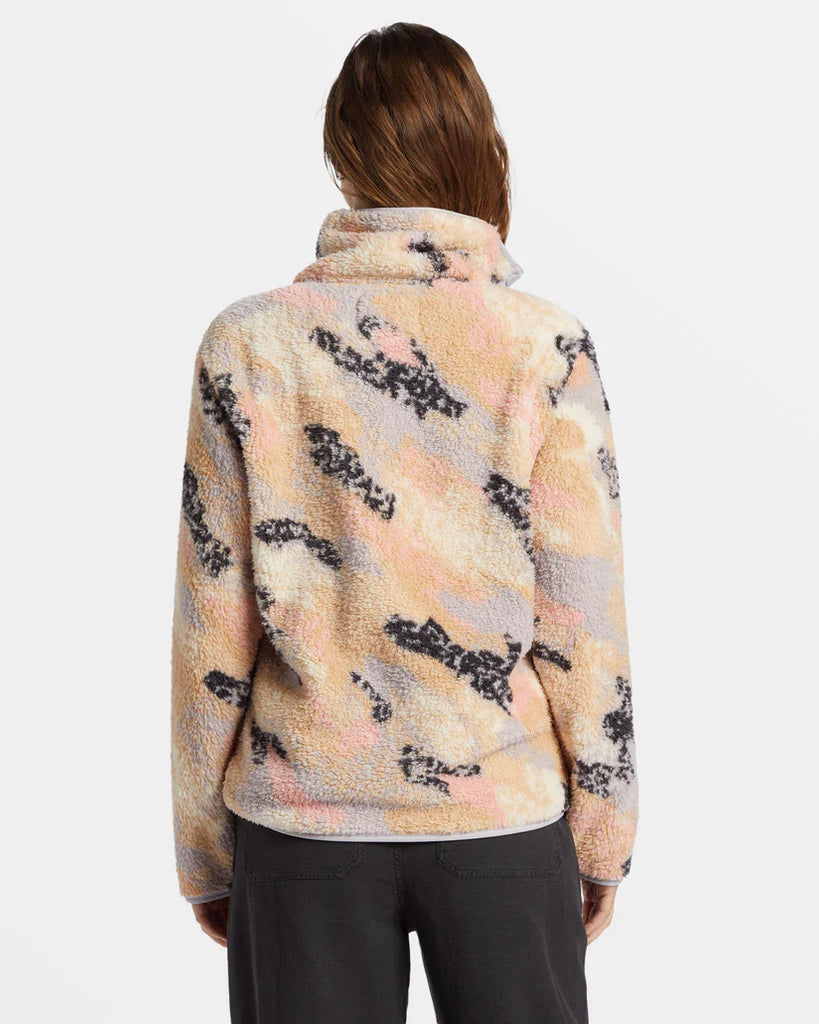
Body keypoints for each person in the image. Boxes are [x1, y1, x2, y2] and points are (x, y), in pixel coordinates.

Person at [170, 21, 638, 1024]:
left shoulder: (248, 343)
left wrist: (205, 849)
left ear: (343, 156)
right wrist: (603, 835)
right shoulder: (542, 344)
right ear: (484, 148)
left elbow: (212, 621)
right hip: (500, 815)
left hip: (302, 825)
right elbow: (582, 613)